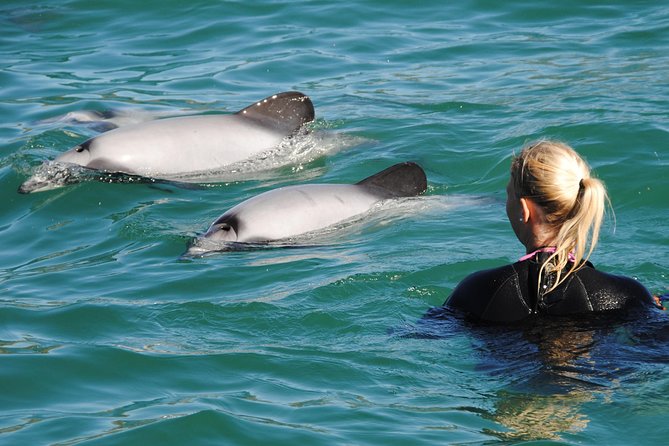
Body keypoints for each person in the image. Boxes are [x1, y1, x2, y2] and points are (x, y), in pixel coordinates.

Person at [445, 140, 658, 322]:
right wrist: (647, 302)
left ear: (524, 210)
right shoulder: (627, 295)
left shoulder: (477, 291)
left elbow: (427, 335)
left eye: (508, 194)